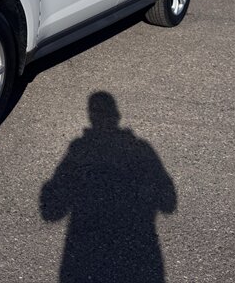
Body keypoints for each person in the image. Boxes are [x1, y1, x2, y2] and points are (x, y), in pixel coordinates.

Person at [40, 92, 177, 283]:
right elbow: (168, 203)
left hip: (84, 255)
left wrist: (49, 189)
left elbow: (51, 212)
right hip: (138, 254)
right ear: (117, 115)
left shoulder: (79, 149)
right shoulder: (140, 148)